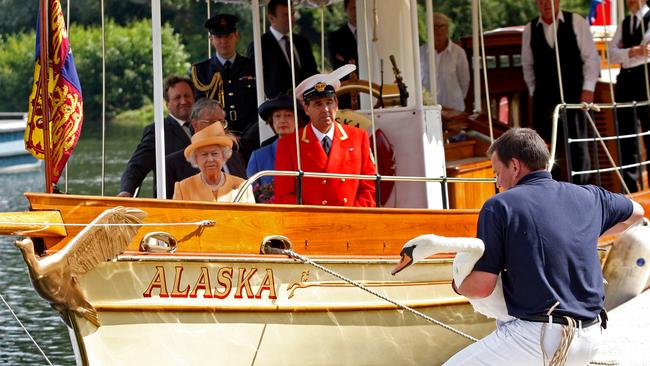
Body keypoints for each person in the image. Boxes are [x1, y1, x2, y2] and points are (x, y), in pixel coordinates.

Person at [446, 128, 644, 365]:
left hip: (541, 338)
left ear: (516, 166)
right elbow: (636, 214)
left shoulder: (499, 206)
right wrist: (591, 228)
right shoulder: (590, 196)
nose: (498, 183)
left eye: (497, 173)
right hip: (591, 334)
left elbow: (481, 288)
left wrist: (458, 284)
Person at [274, 65, 376, 207]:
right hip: (312, 224)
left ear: (337, 104)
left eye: (329, 102)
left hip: (352, 222)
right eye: (318, 104)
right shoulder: (289, 145)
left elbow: (370, 187)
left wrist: (354, 218)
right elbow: (284, 195)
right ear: (306, 109)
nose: (325, 109)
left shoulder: (358, 138)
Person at [522, 0, 600, 184]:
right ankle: (551, 192)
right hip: (544, 99)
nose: (546, 4)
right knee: (547, 151)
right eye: (541, 1)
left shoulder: (577, 22)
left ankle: (583, 192)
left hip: (574, 96)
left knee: (578, 146)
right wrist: (534, 92)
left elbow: (592, 58)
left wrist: (588, 89)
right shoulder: (530, 29)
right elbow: (527, 65)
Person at [191, 14, 259, 161]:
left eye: (228, 36)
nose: (223, 41)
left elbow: (259, 106)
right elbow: (199, 111)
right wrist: (223, 135)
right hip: (214, 142)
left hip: (250, 141)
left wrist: (245, 137)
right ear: (211, 40)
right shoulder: (201, 71)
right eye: (218, 37)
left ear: (236, 36)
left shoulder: (254, 67)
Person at [118, 75, 195, 197]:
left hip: (206, 202)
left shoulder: (205, 126)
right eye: (177, 97)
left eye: (187, 96)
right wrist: (126, 192)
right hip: (172, 205)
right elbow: (136, 167)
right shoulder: (157, 131)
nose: (183, 101)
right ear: (167, 103)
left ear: (194, 98)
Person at [165, 98, 247, 199]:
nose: (218, 126)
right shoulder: (173, 164)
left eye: (221, 122)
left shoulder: (235, 157)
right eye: (212, 122)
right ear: (195, 124)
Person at [608, 0, 650, 193]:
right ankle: (631, 191)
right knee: (625, 136)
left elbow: (648, 50)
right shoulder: (625, 23)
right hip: (625, 84)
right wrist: (633, 51)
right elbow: (611, 54)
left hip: (647, 80)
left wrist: (624, 55)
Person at [247, 0, 319, 99]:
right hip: (278, 107)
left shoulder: (302, 42)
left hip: (306, 104)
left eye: (292, 14)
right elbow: (254, 81)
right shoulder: (259, 46)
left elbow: (312, 72)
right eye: (286, 15)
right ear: (271, 18)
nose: (292, 19)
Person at [173, 122, 255, 203]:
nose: (210, 159)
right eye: (204, 154)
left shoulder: (243, 186)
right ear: (196, 159)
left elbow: (252, 216)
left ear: (223, 156)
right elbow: (175, 216)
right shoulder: (183, 188)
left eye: (215, 153)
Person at [247, 94, 304, 203]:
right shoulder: (258, 156)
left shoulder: (309, 151)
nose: (282, 120)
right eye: (277, 116)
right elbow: (250, 197)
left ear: (297, 120)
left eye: (288, 115)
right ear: (271, 121)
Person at [419, 12, 470, 112]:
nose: (438, 30)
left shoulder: (458, 53)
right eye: (434, 26)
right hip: (428, 109)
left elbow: (464, 81)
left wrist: (456, 98)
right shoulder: (420, 52)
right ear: (428, 29)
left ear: (447, 29)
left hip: (453, 108)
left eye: (442, 26)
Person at [327, 0, 358, 109]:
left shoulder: (373, 35)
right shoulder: (335, 37)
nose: (356, 11)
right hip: (345, 96)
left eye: (358, 7)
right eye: (353, 8)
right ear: (346, 10)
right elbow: (337, 67)